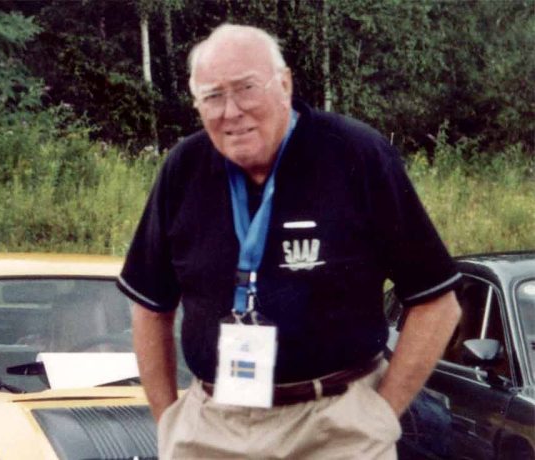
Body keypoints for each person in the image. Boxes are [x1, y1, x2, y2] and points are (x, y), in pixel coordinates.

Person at [117, 23, 461, 459]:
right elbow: (150, 306)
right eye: (213, 96)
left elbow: (437, 303)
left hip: (334, 427)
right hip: (211, 430)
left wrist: (380, 416)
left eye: (246, 88)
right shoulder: (183, 168)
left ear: (284, 84)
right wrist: (169, 420)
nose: (231, 111)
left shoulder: (355, 154)